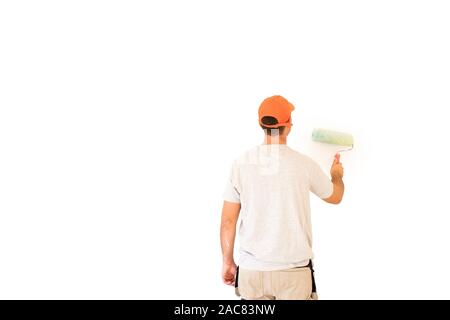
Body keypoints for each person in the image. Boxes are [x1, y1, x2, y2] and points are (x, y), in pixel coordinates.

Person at [220, 95, 345, 300]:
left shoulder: (240, 164)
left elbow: (227, 221)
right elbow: (335, 196)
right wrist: (336, 176)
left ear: (261, 124)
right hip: (294, 276)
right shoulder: (304, 165)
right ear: (289, 126)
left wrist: (227, 261)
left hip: (252, 274)